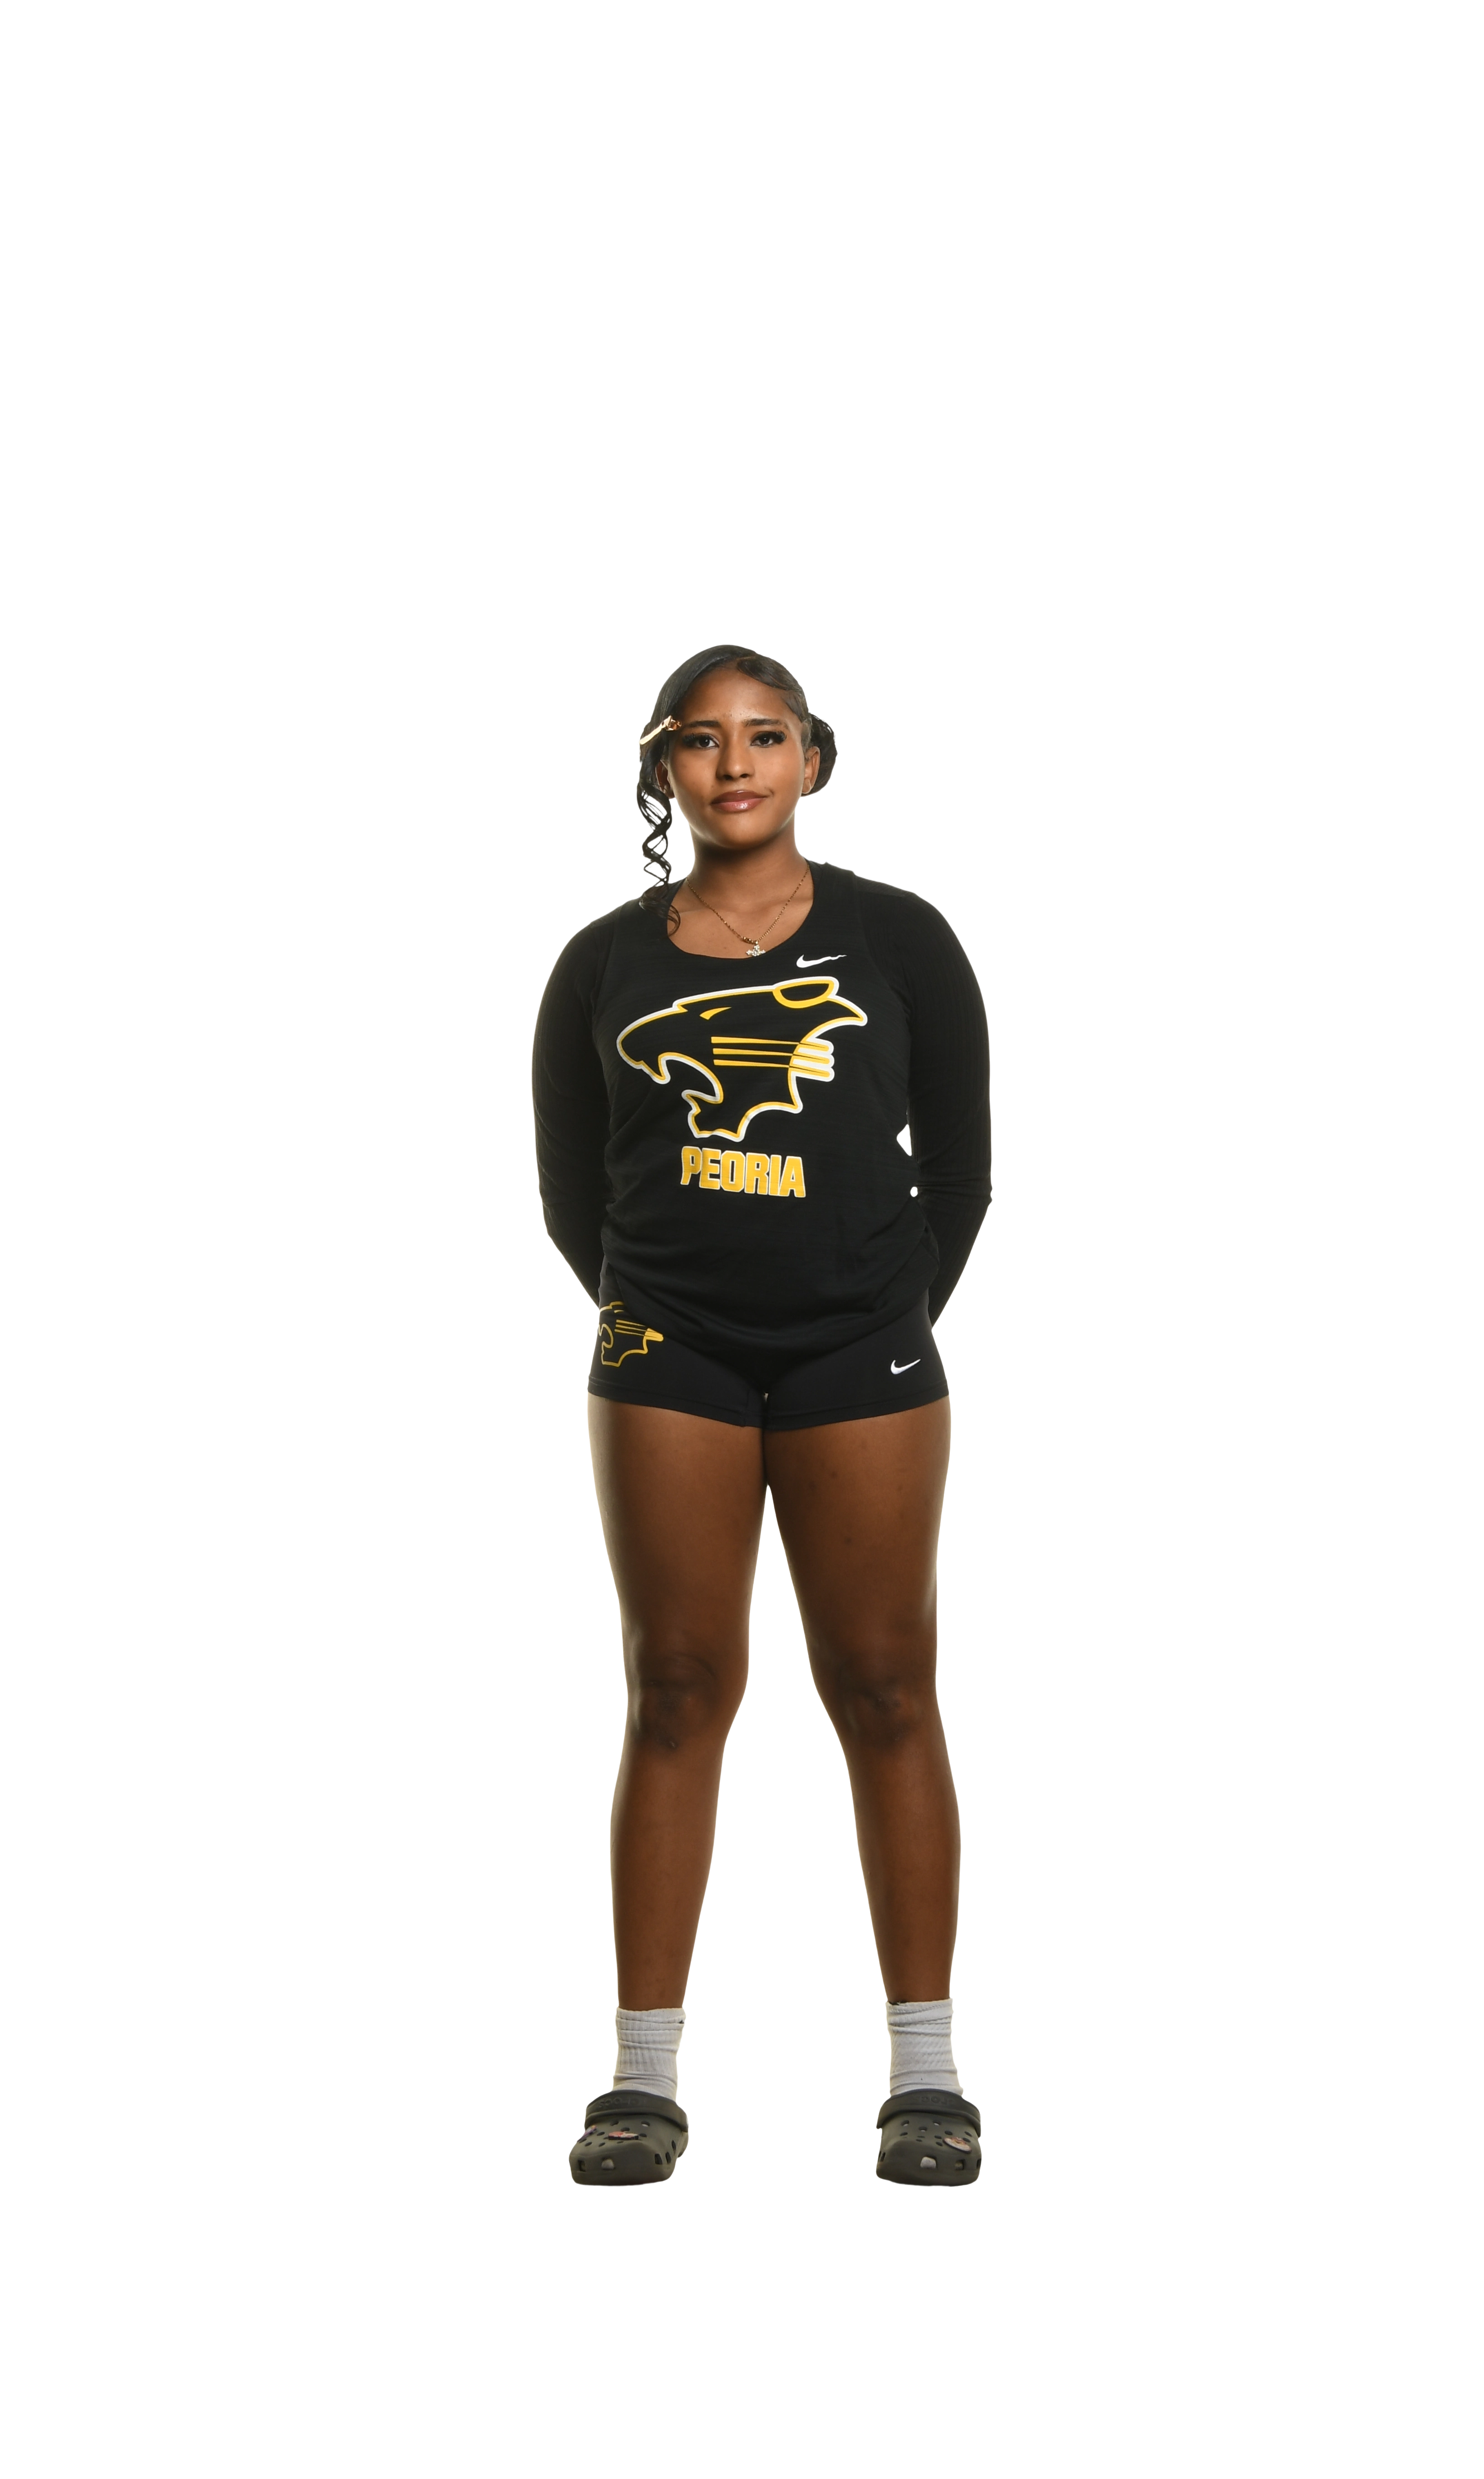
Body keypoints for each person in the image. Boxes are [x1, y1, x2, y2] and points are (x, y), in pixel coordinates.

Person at [532, 645, 992, 2187]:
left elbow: (965, 1171)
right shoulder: (602, 966)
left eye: (767, 736)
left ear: (814, 758)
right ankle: (641, 2074)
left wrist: (880, 1318)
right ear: (664, 767)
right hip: (671, 1354)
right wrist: (664, 1315)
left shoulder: (900, 938)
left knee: (886, 1685)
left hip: (863, 1354)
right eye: (702, 740)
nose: (736, 765)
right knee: (674, 1689)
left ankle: (924, 2065)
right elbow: (573, 1194)